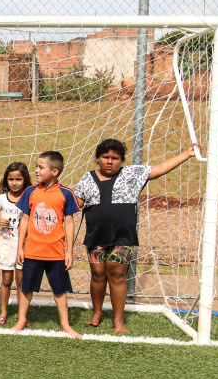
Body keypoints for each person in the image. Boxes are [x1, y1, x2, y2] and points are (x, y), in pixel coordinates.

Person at [74, 139, 200, 334]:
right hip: (96, 237)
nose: (110, 161)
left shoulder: (132, 174)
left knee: (116, 276)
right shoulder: (87, 178)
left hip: (123, 237)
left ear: (121, 160)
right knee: (98, 275)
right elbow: (75, 203)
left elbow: (159, 168)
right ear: (97, 158)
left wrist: (186, 154)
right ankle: (97, 313)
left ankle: (118, 321)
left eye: (115, 158)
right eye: (105, 157)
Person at [12, 151, 82, 339]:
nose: (36, 170)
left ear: (55, 171)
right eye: (36, 166)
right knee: (26, 288)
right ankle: (20, 321)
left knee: (60, 290)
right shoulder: (30, 191)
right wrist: (21, 247)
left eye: (41, 167)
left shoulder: (66, 193)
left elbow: (69, 223)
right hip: (33, 251)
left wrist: (69, 251)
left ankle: (65, 324)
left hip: (57, 253)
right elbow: (25, 220)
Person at [0, 162, 31, 325]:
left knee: (21, 280)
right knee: (6, 280)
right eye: (11, 179)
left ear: (25, 180)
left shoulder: (30, 196)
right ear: (6, 180)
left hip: (24, 246)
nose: (14, 183)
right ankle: (3, 312)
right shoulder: (1, 199)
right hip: (6, 245)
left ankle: (22, 315)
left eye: (18, 179)